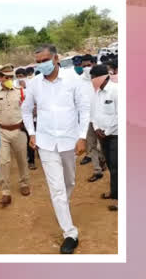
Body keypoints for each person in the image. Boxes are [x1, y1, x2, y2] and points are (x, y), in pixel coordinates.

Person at [22, 44, 90, 254]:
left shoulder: (72, 79)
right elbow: (25, 110)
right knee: (57, 188)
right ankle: (70, 232)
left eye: (45, 60)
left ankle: (62, 205)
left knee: (69, 181)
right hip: (46, 142)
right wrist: (32, 133)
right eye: (38, 61)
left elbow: (84, 108)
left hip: (70, 141)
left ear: (56, 58)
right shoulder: (34, 84)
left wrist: (82, 136)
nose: (42, 64)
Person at [0, 65, 31, 207]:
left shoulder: (21, 92)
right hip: (2, 132)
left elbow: (29, 110)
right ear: (0, 78)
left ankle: (24, 183)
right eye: (6, 77)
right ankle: (6, 192)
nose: (9, 80)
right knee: (4, 162)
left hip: (18, 130)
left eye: (11, 77)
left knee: (22, 159)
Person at [90, 65, 118, 212]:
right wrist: (96, 128)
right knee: (111, 166)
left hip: (115, 136)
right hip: (102, 135)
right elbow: (93, 113)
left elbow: (120, 115)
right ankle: (114, 192)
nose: (92, 80)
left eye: (93, 77)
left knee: (118, 167)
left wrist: (106, 131)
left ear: (102, 77)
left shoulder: (116, 91)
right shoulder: (97, 93)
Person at [15, 68, 37, 170]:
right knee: (26, 139)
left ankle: (35, 157)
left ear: (25, 75)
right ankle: (29, 159)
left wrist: (25, 87)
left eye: (21, 76)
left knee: (34, 136)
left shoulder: (32, 85)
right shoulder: (14, 88)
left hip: (34, 116)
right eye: (18, 76)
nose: (20, 78)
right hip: (21, 117)